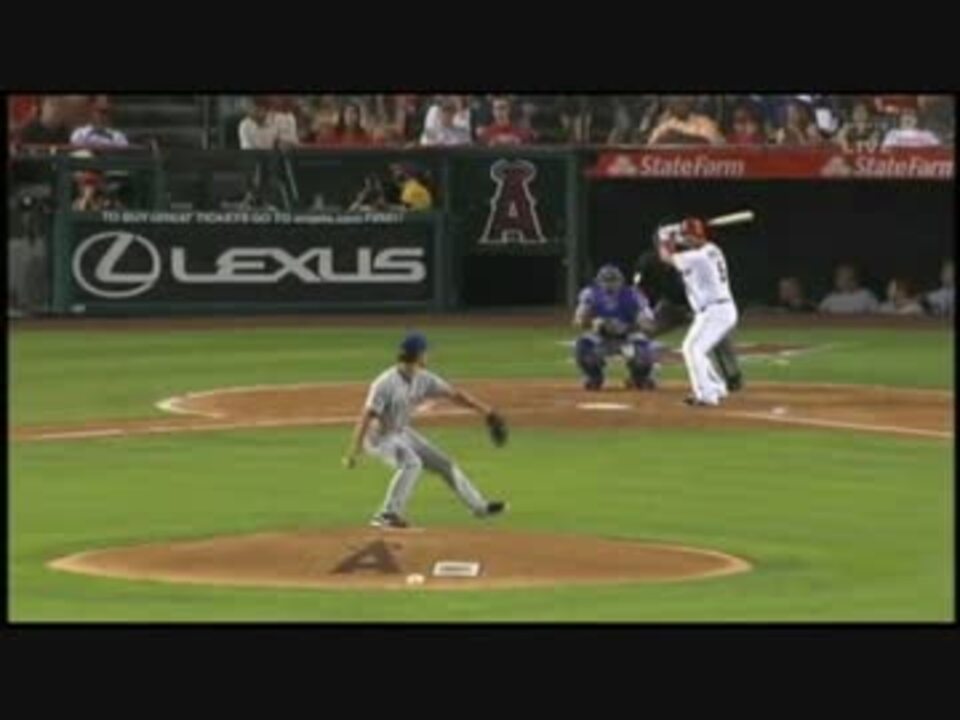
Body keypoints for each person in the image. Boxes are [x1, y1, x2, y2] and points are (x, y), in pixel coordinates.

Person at [342, 332, 508, 529]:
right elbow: (367, 416)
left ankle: (479, 507)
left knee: (444, 464)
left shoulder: (424, 379)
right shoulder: (384, 383)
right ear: (419, 355)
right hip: (379, 438)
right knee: (412, 463)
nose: (427, 356)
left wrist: (486, 411)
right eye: (425, 352)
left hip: (401, 432)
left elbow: (455, 395)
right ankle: (387, 514)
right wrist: (355, 449)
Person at [633, 227, 743, 392]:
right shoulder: (647, 260)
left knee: (717, 339)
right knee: (641, 334)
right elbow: (638, 289)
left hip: (701, 309)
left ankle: (732, 377)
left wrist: (672, 239)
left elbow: (671, 257)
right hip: (671, 307)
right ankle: (640, 376)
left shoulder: (693, 253)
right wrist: (643, 309)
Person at [656, 218, 738, 407]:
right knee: (692, 348)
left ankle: (706, 395)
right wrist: (674, 234)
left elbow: (666, 257)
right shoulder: (712, 249)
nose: (683, 240)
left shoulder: (699, 257)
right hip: (713, 310)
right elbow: (681, 246)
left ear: (694, 236)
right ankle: (716, 386)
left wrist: (664, 238)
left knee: (694, 349)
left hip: (716, 311)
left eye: (687, 236)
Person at [571, 264, 660, 391]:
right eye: (605, 281)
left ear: (621, 282)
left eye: (613, 281)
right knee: (582, 346)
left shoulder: (633, 295)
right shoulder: (590, 294)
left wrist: (630, 326)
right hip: (600, 336)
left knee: (644, 353)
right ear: (598, 282)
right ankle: (594, 377)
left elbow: (649, 323)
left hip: (628, 335)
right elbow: (578, 321)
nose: (609, 285)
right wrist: (595, 323)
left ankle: (638, 378)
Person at [647, 96, 724, 146]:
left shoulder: (706, 123)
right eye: (678, 99)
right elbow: (651, 151)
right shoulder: (662, 126)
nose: (682, 100)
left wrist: (688, 137)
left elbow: (720, 148)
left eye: (686, 98)